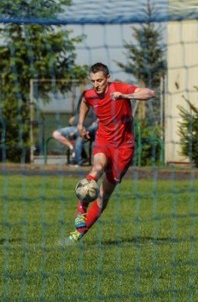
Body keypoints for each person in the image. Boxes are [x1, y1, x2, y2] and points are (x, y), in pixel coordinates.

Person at [65, 62, 155, 243]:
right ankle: (80, 213)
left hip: (124, 148)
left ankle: (79, 234)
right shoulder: (90, 94)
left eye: (99, 80)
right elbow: (84, 100)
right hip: (104, 140)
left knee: (103, 196)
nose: (96, 84)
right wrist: (80, 125)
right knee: (97, 168)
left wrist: (125, 95)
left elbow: (150, 93)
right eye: (93, 81)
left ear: (107, 78)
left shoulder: (119, 88)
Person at [52, 102, 98, 167]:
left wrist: (82, 129)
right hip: (74, 127)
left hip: (85, 129)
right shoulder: (80, 105)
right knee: (56, 134)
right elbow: (72, 118)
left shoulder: (96, 106)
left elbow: (97, 122)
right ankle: (71, 147)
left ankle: (78, 161)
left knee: (79, 138)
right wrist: (72, 120)